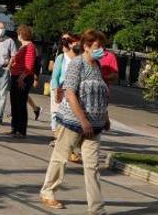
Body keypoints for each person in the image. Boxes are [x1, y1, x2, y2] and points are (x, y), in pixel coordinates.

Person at [40, 29, 111, 214]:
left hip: (95, 125)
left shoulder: (97, 65)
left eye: (102, 46)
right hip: (73, 122)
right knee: (60, 158)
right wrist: (82, 120)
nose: (101, 49)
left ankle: (96, 209)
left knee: (92, 166)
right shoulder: (76, 64)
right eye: (97, 46)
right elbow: (70, 93)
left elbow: (100, 93)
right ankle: (48, 192)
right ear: (86, 46)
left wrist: (105, 117)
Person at [8, 25, 37, 139]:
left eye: (19, 33)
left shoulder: (30, 47)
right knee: (14, 103)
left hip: (22, 78)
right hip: (15, 76)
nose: (18, 35)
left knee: (20, 104)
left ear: (22, 34)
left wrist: (21, 78)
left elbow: (29, 66)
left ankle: (21, 130)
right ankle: (14, 128)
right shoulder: (22, 47)